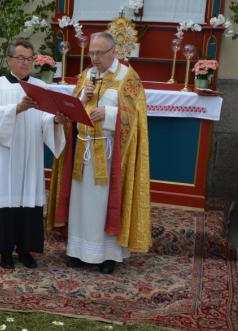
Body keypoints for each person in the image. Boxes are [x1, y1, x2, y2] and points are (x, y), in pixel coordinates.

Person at [46, 32, 151, 274]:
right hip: (82, 148)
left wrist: (110, 114)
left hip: (109, 152)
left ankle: (107, 255)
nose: (93, 58)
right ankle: (77, 251)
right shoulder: (86, 75)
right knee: (80, 201)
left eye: (98, 53)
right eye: (91, 52)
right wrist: (84, 96)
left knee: (103, 203)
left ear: (113, 52)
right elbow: (73, 106)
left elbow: (136, 118)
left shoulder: (128, 77)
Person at [0, 39, 67, 269]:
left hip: (30, 154)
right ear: (9, 60)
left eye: (29, 58)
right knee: (6, 200)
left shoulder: (41, 86)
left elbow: (46, 119)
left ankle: (26, 250)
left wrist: (56, 120)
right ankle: (5, 251)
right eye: (20, 58)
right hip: (6, 156)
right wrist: (18, 108)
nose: (25, 63)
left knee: (28, 201)